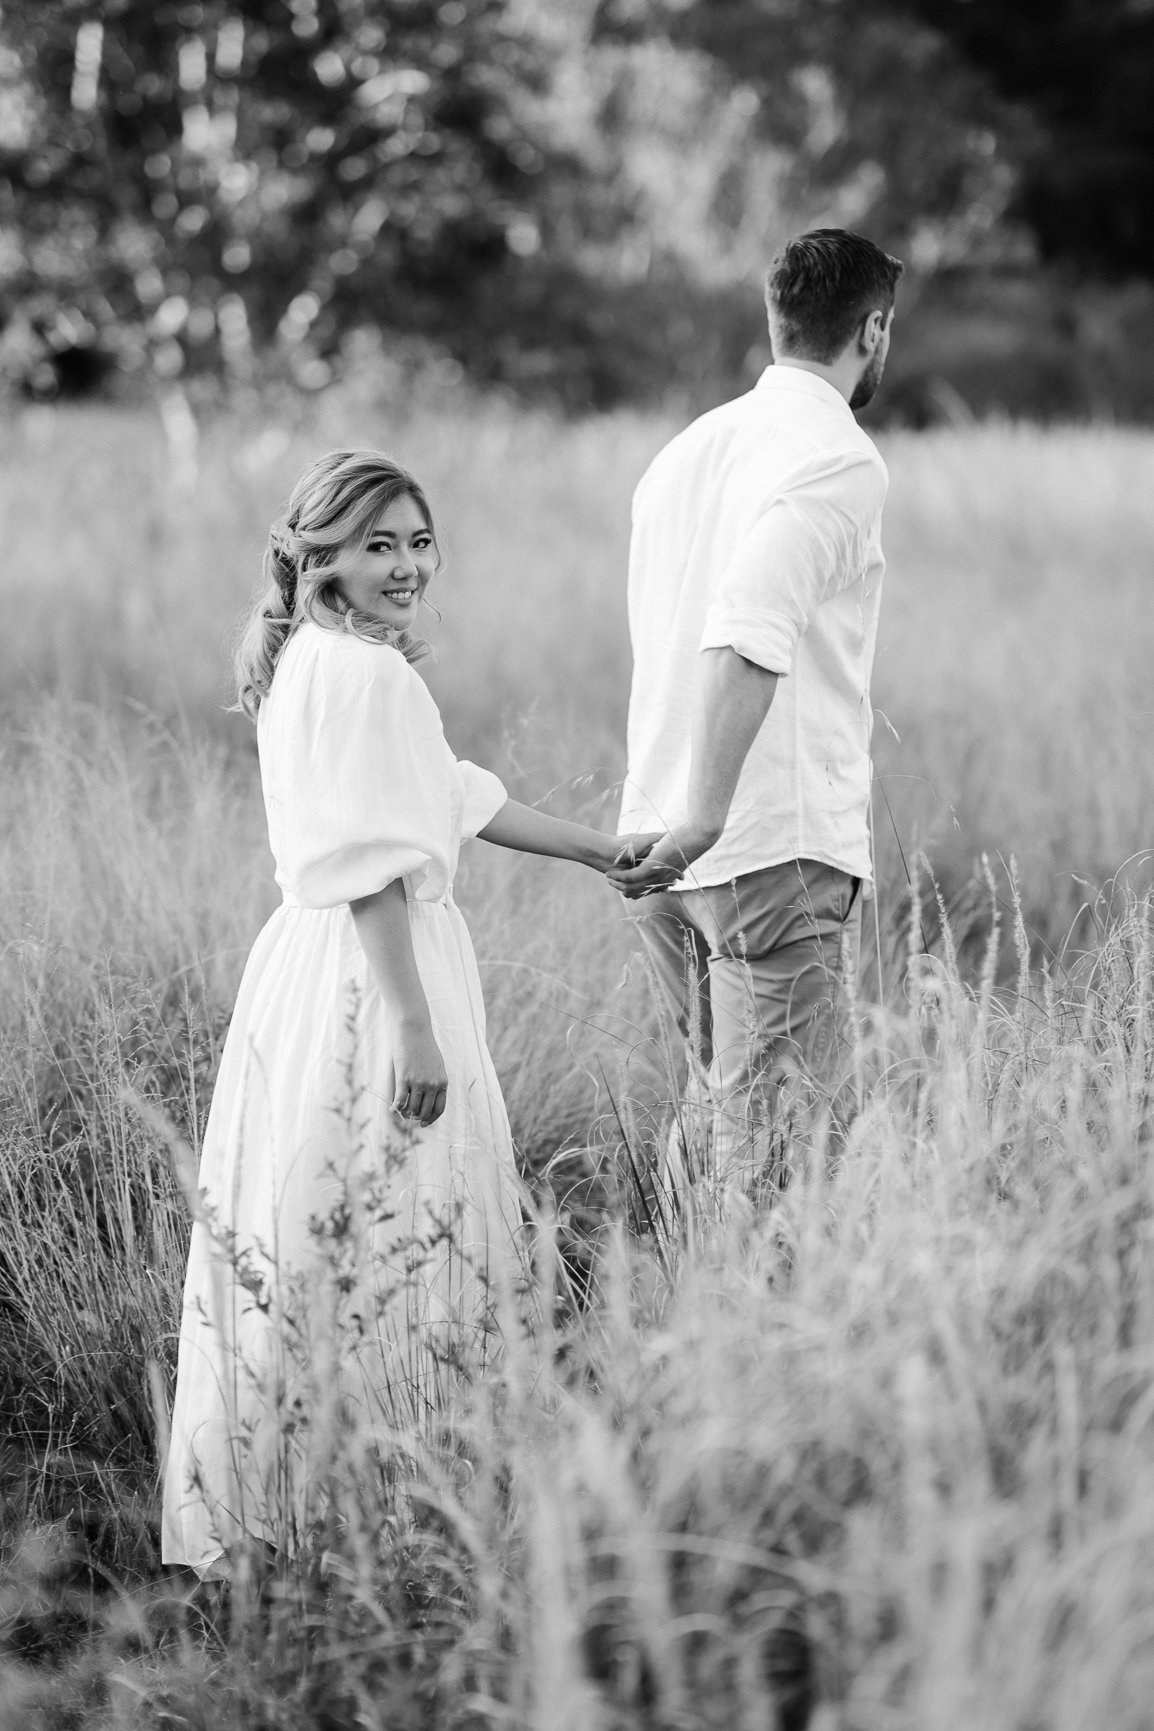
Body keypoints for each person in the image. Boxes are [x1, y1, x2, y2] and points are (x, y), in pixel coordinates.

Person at [163, 449, 655, 1579]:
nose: (405, 565)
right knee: (397, 1221)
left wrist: (599, 851)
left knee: (312, 1225)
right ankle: (381, 1515)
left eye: (418, 541)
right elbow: (375, 863)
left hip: (308, 968)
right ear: (320, 555)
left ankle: (293, 1501)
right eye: (376, 543)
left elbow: (448, 792)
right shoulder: (364, 674)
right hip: (372, 974)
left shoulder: (313, 657)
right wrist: (413, 1024)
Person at [610, 229, 904, 1182]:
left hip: (657, 846)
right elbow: (746, 630)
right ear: (873, 329)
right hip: (762, 843)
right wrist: (707, 816)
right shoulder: (839, 458)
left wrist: (682, 821)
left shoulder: (684, 452)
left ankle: (669, 1275)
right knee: (777, 1155)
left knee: (711, 1117)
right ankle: (737, 1287)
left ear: (777, 319)